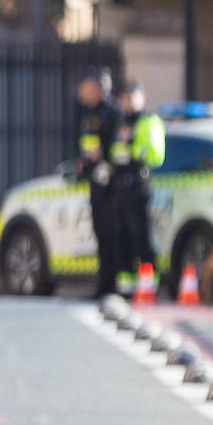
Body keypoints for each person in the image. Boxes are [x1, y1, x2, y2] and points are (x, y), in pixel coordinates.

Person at [74, 68, 124, 298]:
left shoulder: (113, 111)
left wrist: (105, 164)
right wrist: (83, 162)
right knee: (100, 233)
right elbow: (87, 143)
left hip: (110, 183)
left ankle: (112, 284)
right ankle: (103, 285)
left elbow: (115, 147)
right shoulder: (88, 112)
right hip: (95, 181)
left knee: (111, 235)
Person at [113, 82, 166, 292]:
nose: (127, 102)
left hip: (139, 185)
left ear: (141, 98)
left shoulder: (148, 121)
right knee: (123, 236)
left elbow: (155, 155)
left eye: (131, 97)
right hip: (121, 186)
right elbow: (116, 152)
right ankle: (126, 288)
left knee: (141, 235)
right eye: (124, 98)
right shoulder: (121, 121)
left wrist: (132, 140)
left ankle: (148, 286)